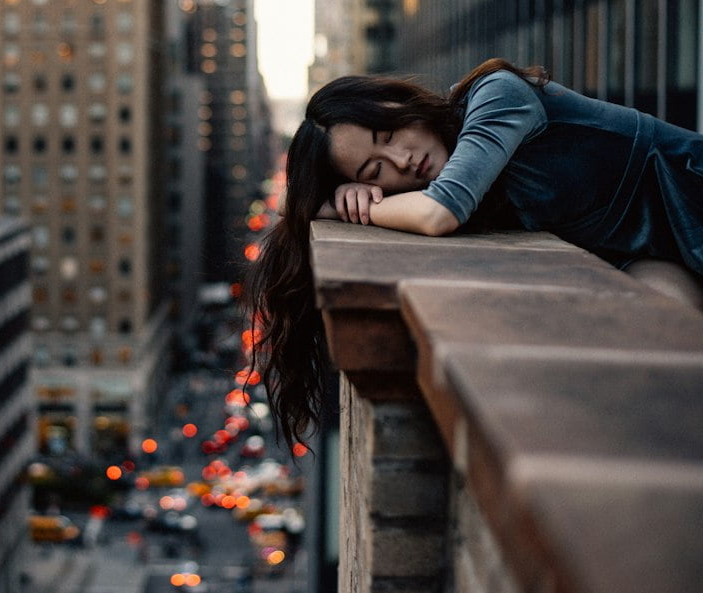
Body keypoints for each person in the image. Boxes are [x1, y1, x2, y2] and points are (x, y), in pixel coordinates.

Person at [243, 58, 703, 452]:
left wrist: (343, 206)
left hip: (691, 202)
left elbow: (440, 212)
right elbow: (288, 204)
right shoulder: (460, 176)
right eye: (375, 169)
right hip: (650, 252)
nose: (402, 161)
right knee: (660, 347)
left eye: (389, 133)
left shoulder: (496, 95)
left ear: (402, 103)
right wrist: (340, 195)